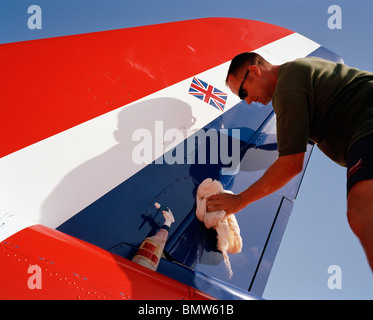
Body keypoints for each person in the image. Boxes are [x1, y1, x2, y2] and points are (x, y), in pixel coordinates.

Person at [206, 52, 373, 271]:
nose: (247, 101)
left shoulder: (286, 86)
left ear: (255, 71)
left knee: (362, 210)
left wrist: (238, 201)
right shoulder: (296, 76)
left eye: (243, 92)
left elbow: (291, 164)